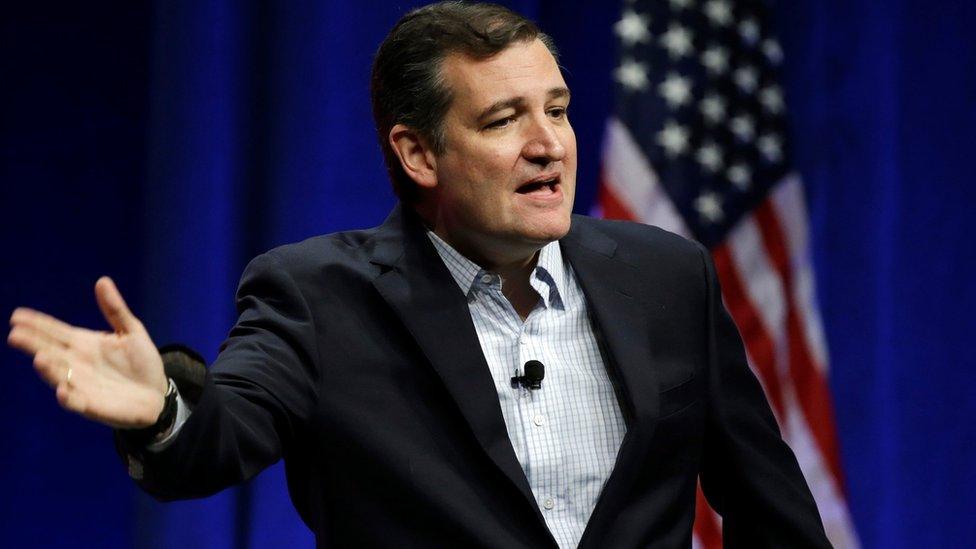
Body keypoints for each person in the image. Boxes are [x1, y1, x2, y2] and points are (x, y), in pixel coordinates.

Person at [7, 2, 832, 547]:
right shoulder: (318, 296)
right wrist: (163, 411)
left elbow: (772, 509)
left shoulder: (666, 279)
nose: (549, 143)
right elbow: (223, 435)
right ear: (418, 152)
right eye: (505, 119)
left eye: (558, 108)